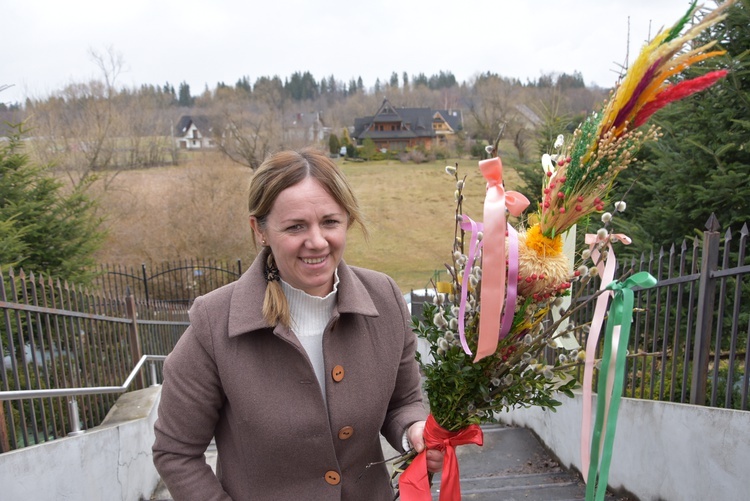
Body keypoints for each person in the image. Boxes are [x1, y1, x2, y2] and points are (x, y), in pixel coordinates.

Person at [152, 148, 442, 500]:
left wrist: (411, 430)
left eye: (330, 222)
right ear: (260, 230)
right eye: (295, 226)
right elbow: (176, 451)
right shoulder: (214, 324)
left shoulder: (384, 298)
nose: (317, 241)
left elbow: (404, 402)